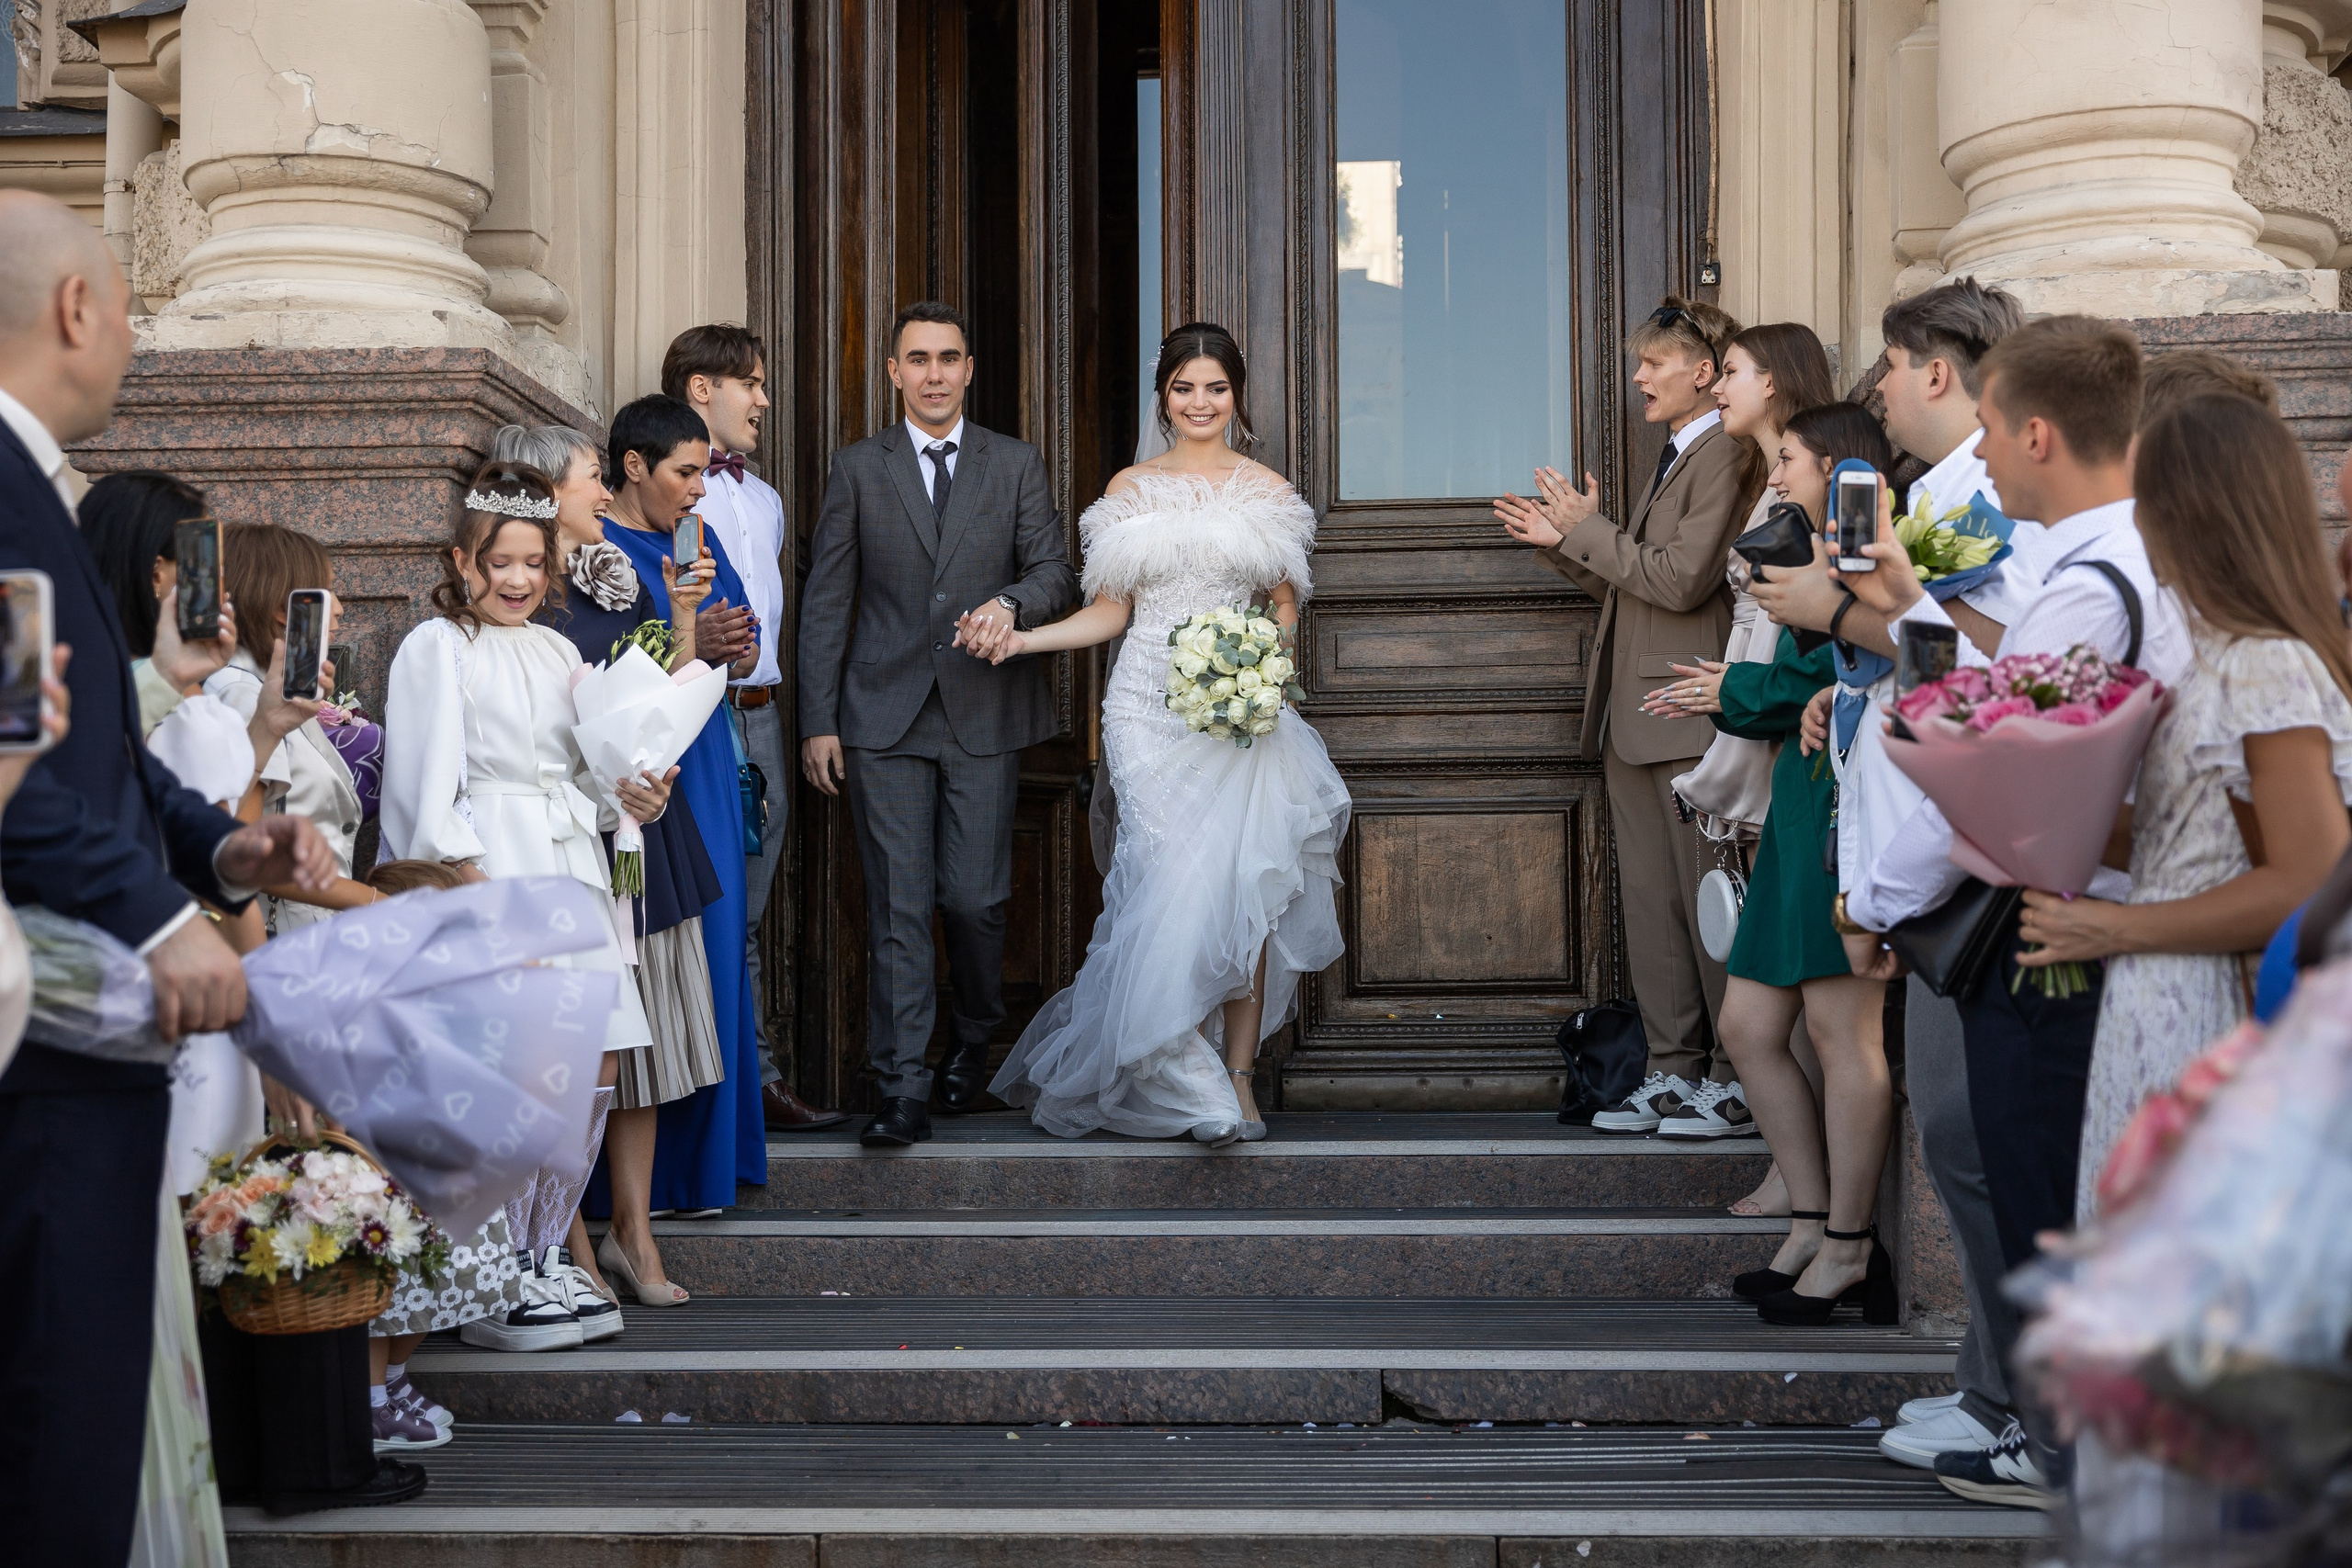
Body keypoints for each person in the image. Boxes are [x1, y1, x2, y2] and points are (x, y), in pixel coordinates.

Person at [0, 189, 343, 1558]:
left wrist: (219, 846)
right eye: (133, 308)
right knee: (55, 1428)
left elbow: (87, 758)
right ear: (76, 310)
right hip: (50, 1034)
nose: (135, 340)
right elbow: (9, 767)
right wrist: (156, 919)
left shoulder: (35, 491)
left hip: (77, 1015)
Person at [1838, 315, 2196, 1510]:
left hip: (2060, 937)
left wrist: (1880, 896)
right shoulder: (2142, 558)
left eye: (1991, 427)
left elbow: (2003, 776)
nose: (1979, 456)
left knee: (2048, 1201)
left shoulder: (2088, 591)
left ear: (2038, 430)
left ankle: (2070, 1459)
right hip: (2094, 919)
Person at [959, 322, 1349, 1143]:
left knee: (1243, 889)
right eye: (1184, 388)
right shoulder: (1131, 487)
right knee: (1169, 877)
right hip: (1145, 707)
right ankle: (1173, 1060)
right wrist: (1025, 638)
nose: (1200, 403)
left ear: (1236, 394)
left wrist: (1262, 655)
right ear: (1162, 396)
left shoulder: (1269, 492)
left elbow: (1282, 600)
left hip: (1240, 716)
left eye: (1215, 387)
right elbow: (1110, 610)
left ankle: (1236, 1078)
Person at [1771, 279, 2034, 1480]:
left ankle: (2019, 1398)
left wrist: (1839, 614)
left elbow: (1985, 657)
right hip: (1923, 842)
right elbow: (1923, 640)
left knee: (1979, 1134)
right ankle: (1995, 1385)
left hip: (1971, 845)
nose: (1872, 387)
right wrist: (1851, 673)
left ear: (1938, 370)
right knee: (1960, 1129)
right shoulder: (1943, 493)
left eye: (1887, 362)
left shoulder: (1994, 494)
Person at [2013, 394, 2352, 1214]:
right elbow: (2188, 849)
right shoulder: (2219, 656)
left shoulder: (2265, 663)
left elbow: (2310, 874)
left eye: (2146, 495)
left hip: (2205, 1012)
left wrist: (2112, 926)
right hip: (2157, 1002)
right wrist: (2037, 800)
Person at [379, 459, 669, 1351]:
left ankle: (546, 1249)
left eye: (533, 564)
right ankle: (497, 1268)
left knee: (595, 1068)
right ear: (463, 561)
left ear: (552, 571)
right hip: (495, 867)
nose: (515, 580)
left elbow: (586, 780)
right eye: (498, 561)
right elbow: (424, 792)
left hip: (574, 869)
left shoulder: (558, 652)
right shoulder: (440, 647)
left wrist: (630, 800)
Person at [797, 299, 1078, 1146]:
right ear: (893, 371)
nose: (933, 374)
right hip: (880, 719)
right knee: (899, 907)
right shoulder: (857, 468)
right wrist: (819, 720)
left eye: (948, 359)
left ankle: (972, 1041)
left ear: (967, 369)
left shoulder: (1016, 463)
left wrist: (1011, 602)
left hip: (982, 713)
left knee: (976, 899)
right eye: (916, 359)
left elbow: (1056, 572)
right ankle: (900, 1089)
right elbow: (827, 604)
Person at [1645, 403, 1897, 1324]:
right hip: (1799, 797)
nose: (1778, 470)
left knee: (1842, 1035)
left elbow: (1861, 664)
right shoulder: (1808, 536)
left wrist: (1737, 689)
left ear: (1836, 465)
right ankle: (1804, 1216)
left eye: (1790, 457)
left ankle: (1848, 1244)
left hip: (1844, 799)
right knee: (1751, 1025)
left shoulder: (1866, 545)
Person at [1493, 296, 1747, 1133]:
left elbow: (1678, 581)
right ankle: (1673, 1073)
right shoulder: (1677, 455)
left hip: (1687, 711)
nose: (1638, 376)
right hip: (1636, 718)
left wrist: (1590, 526)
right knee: (1654, 907)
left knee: (1709, 901)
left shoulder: (1725, 456)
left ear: (1704, 373)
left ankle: (1736, 1076)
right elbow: (1633, 587)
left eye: (1654, 363)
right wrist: (1564, 541)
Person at [501, 418, 719, 1303]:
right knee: (583, 1047)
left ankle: (632, 1231)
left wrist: (684, 616)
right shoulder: (522, 594)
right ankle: (573, 1244)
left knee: (646, 1043)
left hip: (640, 824)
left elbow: (666, 688)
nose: (602, 492)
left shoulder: (619, 573)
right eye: (591, 475)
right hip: (566, 831)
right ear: (546, 489)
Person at [1652, 321, 1838, 1160]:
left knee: (1791, 982)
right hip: (1751, 693)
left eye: (1730, 373)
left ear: (1777, 381)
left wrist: (1736, 690)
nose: (1716, 386)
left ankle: (1802, 1169)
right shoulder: (1771, 477)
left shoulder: (1801, 489)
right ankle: (1788, 1162)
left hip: (1780, 712)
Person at [663, 326, 845, 1134]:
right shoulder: (670, 496)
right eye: (754, 384)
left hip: (764, 721)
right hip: (697, 719)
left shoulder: (766, 501)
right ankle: (741, 1088)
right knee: (711, 909)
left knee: (752, 909)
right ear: (703, 390)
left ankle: (746, 1079)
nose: (765, 400)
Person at [602, 396, 773, 1211]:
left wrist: (731, 646)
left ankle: (707, 1166)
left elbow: (736, 640)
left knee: (714, 940)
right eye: (686, 472)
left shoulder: (696, 539)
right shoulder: (595, 548)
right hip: (643, 761)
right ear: (634, 466)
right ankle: (642, 1180)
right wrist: (691, 641)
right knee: (656, 949)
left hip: (703, 750)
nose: (700, 490)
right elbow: (596, 660)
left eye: (705, 472)